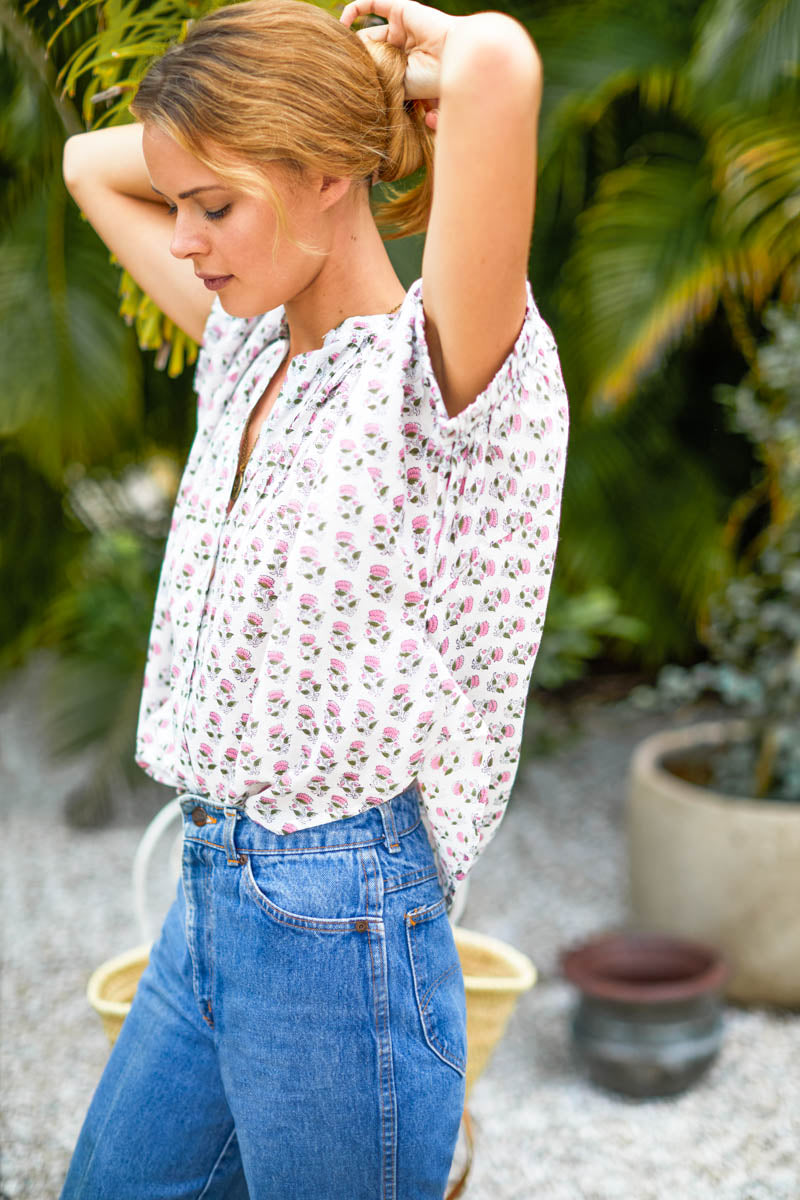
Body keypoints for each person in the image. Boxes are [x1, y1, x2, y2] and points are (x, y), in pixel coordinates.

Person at [59, 0, 569, 1195]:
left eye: (215, 206)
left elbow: (498, 64)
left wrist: (384, 73)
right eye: (180, 205)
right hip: (213, 889)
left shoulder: (442, 370)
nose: (184, 240)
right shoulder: (246, 348)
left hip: (340, 920)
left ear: (328, 173)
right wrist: (265, 128)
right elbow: (90, 160)